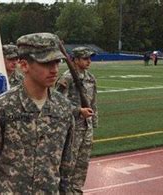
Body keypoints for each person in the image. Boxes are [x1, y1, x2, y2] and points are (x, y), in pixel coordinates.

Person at [0, 33, 76, 194]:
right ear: (24, 65)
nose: (54, 69)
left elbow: (67, 166)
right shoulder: (1, 109)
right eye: (46, 63)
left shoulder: (64, 108)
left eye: (57, 62)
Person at [55, 46, 98, 194]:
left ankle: (76, 191)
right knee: (68, 165)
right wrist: (78, 111)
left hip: (86, 128)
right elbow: (57, 102)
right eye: (85, 58)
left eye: (89, 58)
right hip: (72, 129)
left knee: (82, 164)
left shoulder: (90, 78)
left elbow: (93, 102)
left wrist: (93, 122)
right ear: (75, 59)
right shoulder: (67, 78)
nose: (89, 61)